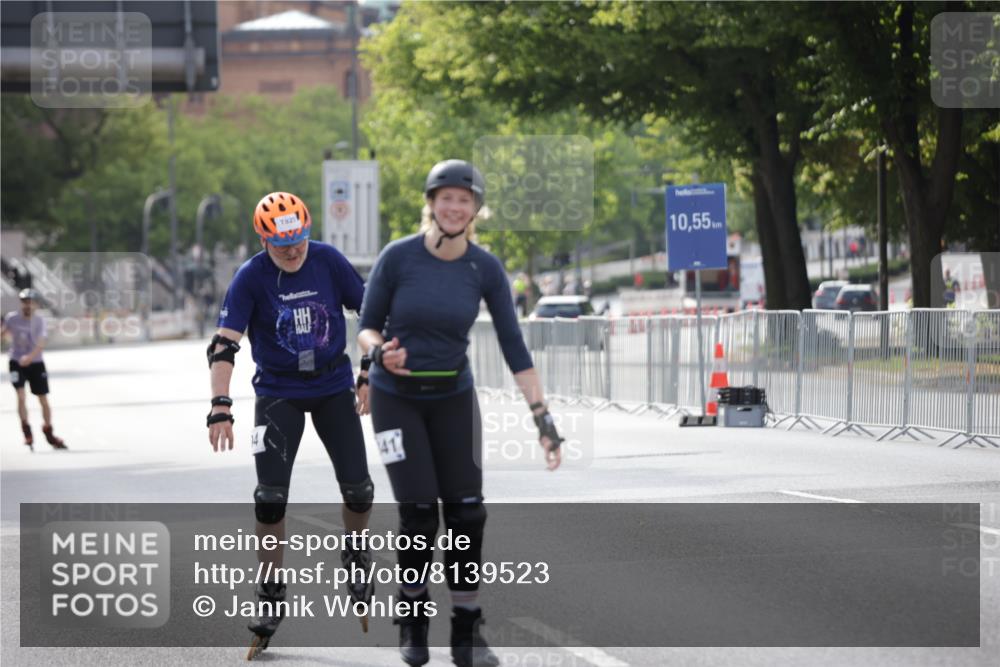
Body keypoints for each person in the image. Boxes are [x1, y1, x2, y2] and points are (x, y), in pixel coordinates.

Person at [357, 159, 565, 667]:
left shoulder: (484, 267)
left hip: (453, 397)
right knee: (420, 514)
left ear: (474, 210)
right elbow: (366, 326)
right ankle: (411, 620)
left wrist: (543, 419)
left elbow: (515, 346)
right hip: (395, 400)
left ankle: (467, 633)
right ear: (431, 203)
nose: (454, 207)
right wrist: (379, 353)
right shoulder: (397, 257)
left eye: (464, 200)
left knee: (468, 512)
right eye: (445, 198)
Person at [205, 192, 375, 656]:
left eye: (298, 241)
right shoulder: (250, 277)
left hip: (332, 386)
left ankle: (356, 554)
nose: (294, 251)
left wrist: (367, 371)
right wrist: (221, 404)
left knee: (359, 490)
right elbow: (223, 345)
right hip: (278, 392)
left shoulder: (328, 261)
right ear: (263, 239)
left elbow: (371, 316)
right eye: (282, 246)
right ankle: (270, 592)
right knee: (270, 500)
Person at [2, 288, 67, 450]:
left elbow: (41, 343)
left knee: (42, 398)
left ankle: (48, 429)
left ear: (36, 304)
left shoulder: (40, 321)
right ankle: (26, 430)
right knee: (21, 395)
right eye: (24, 302)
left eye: (30, 302)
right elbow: (3, 333)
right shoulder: (12, 319)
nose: (27, 306)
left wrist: (30, 357)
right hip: (16, 362)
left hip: (35, 362)